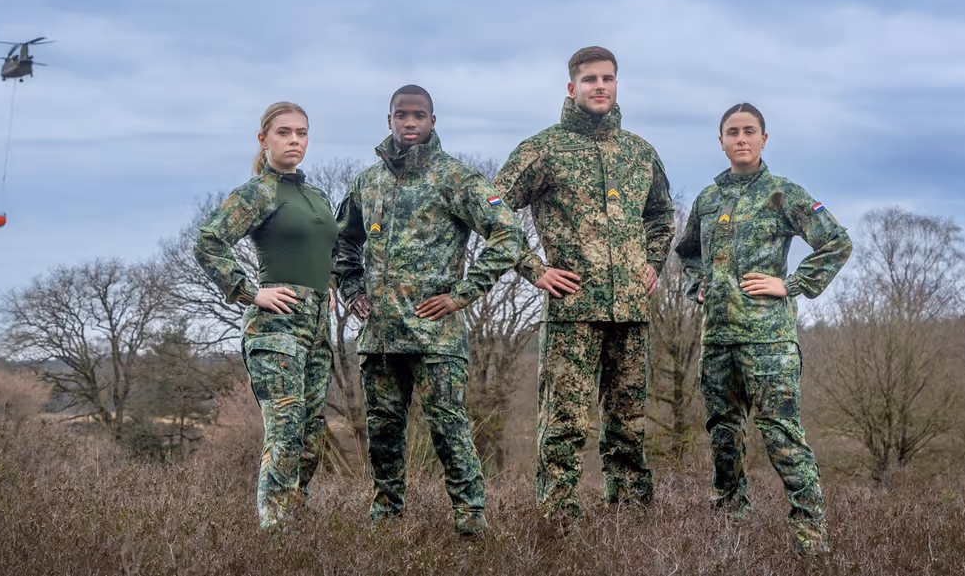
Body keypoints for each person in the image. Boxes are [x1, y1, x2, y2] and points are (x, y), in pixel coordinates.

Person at [334, 84, 526, 538]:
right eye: (402, 115)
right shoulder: (368, 182)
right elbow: (343, 241)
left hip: (435, 335)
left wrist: (463, 294)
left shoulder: (456, 179)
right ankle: (386, 520)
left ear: (433, 121)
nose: (410, 123)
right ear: (389, 121)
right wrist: (351, 289)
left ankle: (470, 519)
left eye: (419, 115)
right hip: (379, 336)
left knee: (448, 429)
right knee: (382, 434)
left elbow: (508, 235)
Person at [494, 46, 675, 523]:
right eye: (591, 79)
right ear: (572, 88)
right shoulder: (543, 149)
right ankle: (557, 524)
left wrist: (652, 260)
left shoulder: (640, 153)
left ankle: (633, 521)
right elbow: (490, 211)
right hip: (573, 309)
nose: (600, 86)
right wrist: (534, 269)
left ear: (617, 85)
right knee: (566, 423)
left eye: (608, 78)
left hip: (631, 313)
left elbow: (660, 215)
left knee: (630, 426)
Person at [674, 102, 852, 555]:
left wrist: (791, 284)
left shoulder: (783, 194)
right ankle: (730, 535)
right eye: (732, 132)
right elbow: (687, 251)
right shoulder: (709, 199)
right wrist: (697, 285)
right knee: (723, 438)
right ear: (721, 141)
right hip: (717, 342)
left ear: (764, 139)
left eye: (749, 131)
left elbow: (836, 242)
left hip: (768, 343)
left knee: (782, 438)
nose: (741, 139)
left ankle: (812, 541)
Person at [194, 101, 338, 531]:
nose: (295, 140)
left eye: (302, 132)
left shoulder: (317, 195)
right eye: (284, 133)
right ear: (264, 139)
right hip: (276, 330)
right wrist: (248, 292)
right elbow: (209, 241)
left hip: (317, 330)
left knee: (312, 439)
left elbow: (325, 252)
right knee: (286, 429)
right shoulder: (259, 192)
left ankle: (295, 524)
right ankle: (274, 533)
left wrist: (333, 285)